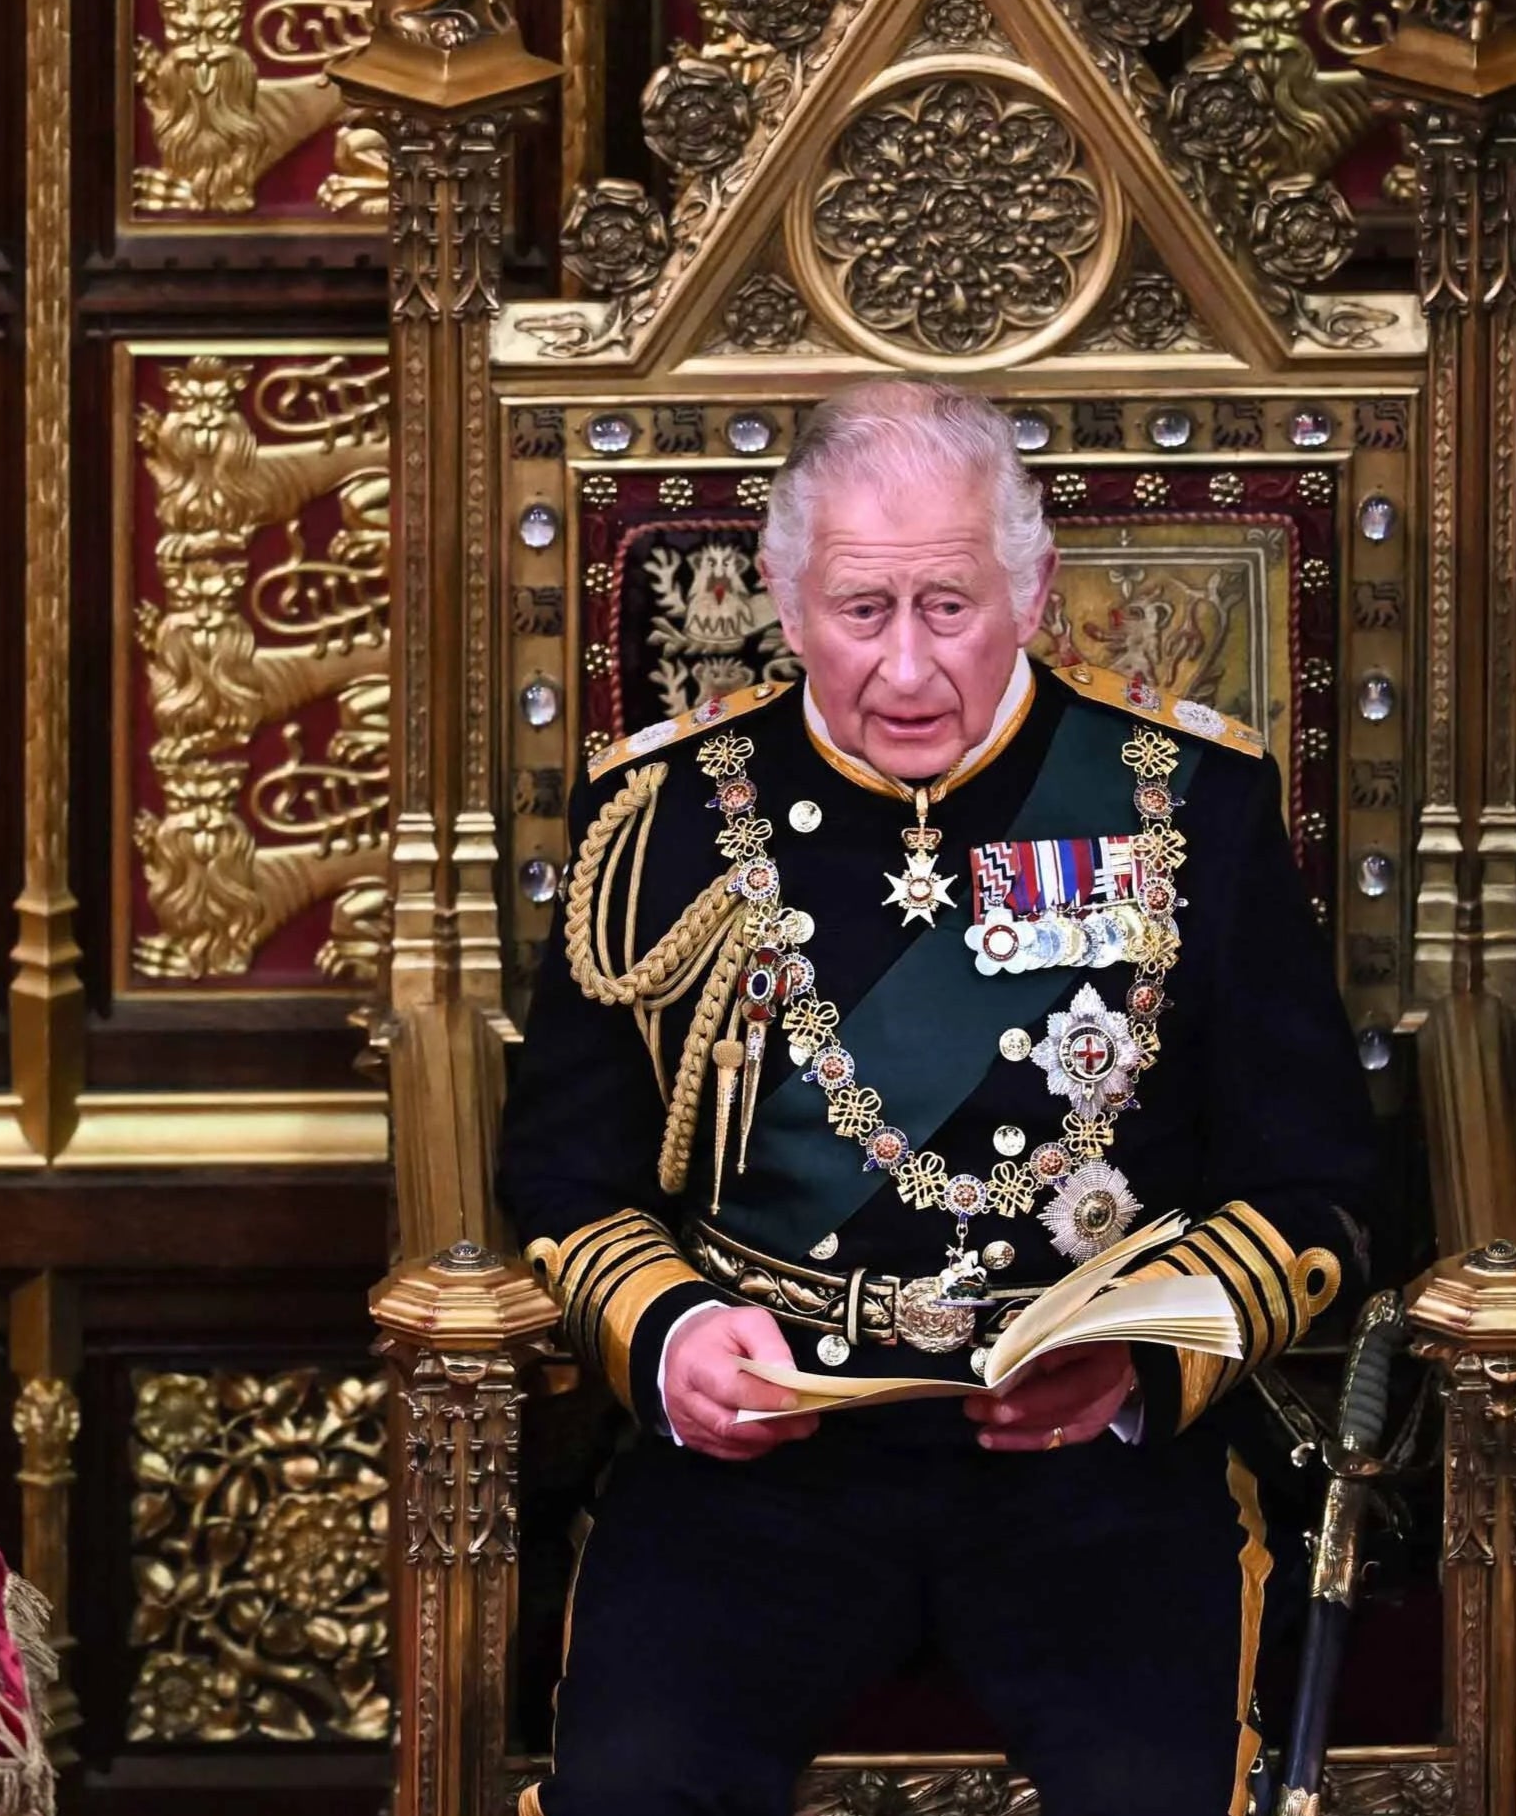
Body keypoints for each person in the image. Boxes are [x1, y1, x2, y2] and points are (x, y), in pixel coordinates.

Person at [498, 381, 1377, 1816]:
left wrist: (1141, 1370)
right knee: (637, 1788)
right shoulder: (658, 821)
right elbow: (560, 1170)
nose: (906, 669)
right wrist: (669, 1340)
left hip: (1088, 1466)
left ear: (1030, 592)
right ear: (783, 603)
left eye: (950, 607)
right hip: (766, 1463)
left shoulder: (1188, 803)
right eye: (861, 611)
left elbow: (1318, 1176)